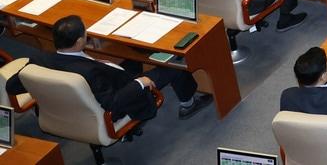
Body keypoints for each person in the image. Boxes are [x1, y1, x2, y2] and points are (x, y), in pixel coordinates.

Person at [6, 15, 213, 123]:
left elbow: (12, 86)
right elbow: (111, 102)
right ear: (79, 41)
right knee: (173, 65)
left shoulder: (38, 60)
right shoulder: (88, 73)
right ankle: (189, 104)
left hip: (78, 102)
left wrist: (47, 90)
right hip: (114, 101)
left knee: (131, 60)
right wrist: (140, 83)